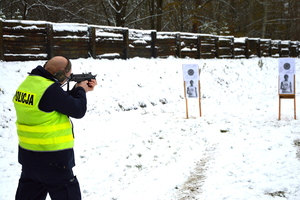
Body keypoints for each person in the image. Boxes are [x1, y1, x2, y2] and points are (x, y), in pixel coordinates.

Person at [13, 56, 97, 200]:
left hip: (30, 161)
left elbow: (53, 103)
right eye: (67, 76)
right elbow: (78, 110)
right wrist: (81, 91)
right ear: (61, 73)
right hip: (54, 162)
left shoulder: (28, 84)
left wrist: (78, 90)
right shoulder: (49, 89)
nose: (66, 80)